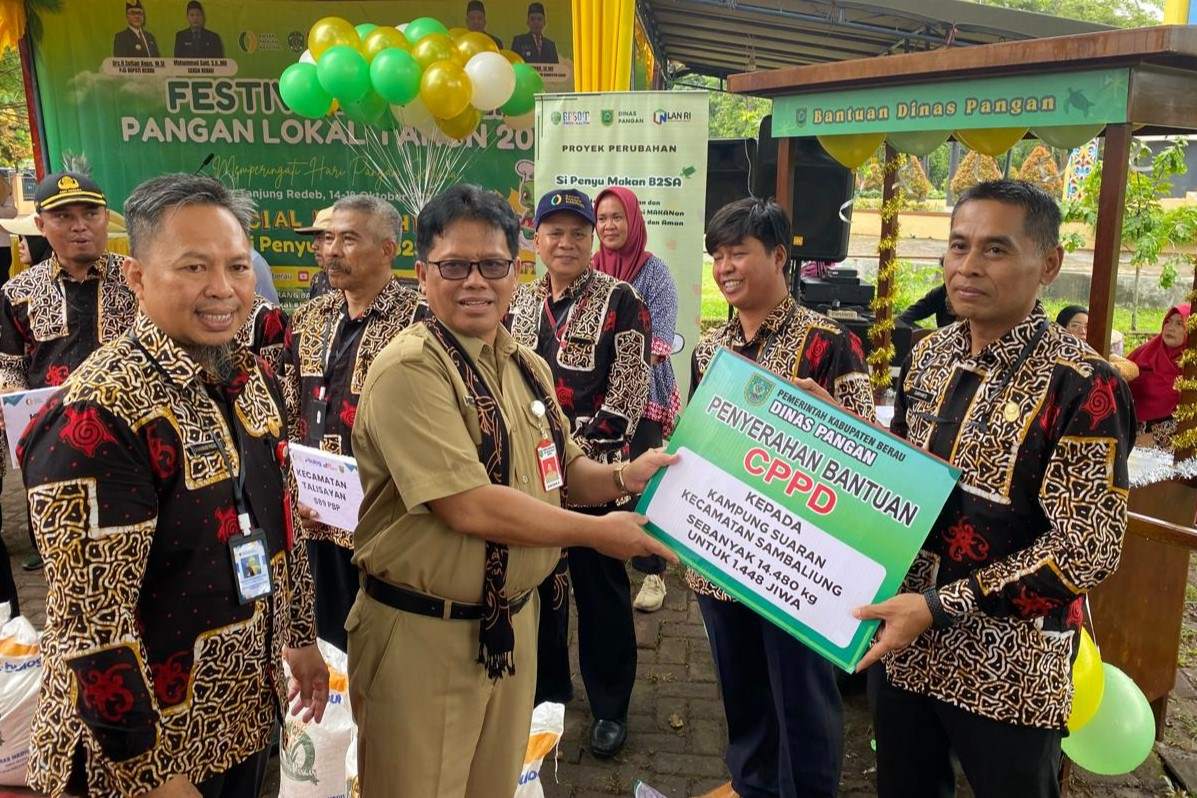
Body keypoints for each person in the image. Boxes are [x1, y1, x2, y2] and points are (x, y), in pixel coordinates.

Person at [346, 183, 675, 797]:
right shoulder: (412, 368)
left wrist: (626, 477)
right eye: (454, 266)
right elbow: (468, 505)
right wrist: (599, 533)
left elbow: (567, 471)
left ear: (514, 271)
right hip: (424, 636)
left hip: (507, 630)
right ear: (421, 274)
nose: (476, 281)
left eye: (493, 265)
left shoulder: (523, 362)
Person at [20, 173, 328, 798]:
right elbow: (91, 624)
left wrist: (299, 637)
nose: (222, 289)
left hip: (240, 721)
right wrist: (153, 775)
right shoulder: (97, 416)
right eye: (193, 267)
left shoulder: (251, 378)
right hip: (140, 758)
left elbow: (280, 524)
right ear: (135, 277)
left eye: (238, 267)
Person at [857, 180, 1133, 798]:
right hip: (903, 647)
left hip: (1010, 666)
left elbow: (1089, 547)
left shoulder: (1083, 385)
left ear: (1049, 265)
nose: (968, 267)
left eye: (996, 250)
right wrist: (842, 436)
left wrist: (938, 607)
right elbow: (904, 475)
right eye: (959, 246)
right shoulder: (930, 355)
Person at [690, 197, 873, 798]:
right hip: (722, 553)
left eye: (737, 252)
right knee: (742, 694)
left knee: (802, 702)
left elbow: (870, 464)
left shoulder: (829, 345)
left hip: (797, 569)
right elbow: (697, 442)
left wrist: (832, 421)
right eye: (717, 256)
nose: (725, 267)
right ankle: (751, 786)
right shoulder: (708, 349)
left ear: (777, 255)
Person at [509, 188, 651, 758]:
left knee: (602, 591)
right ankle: (548, 692)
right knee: (538, 584)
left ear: (592, 239)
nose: (565, 242)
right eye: (554, 231)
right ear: (536, 238)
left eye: (577, 232)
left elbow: (630, 391)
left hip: (596, 474)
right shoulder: (517, 301)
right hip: (527, 476)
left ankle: (611, 705)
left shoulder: (622, 299)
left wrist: (577, 462)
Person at [283, 194, 425, 652]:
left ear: (388, 249)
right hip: (313, 514)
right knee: (325, 643)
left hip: (386, 520)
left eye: (348, 239)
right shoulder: (308, 318)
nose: (332, 251)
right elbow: (286, 409)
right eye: (328, 239)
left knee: (385, 648)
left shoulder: (420, 321)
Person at [0, 173, 138, 575]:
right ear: (41, 225)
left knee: (134, 547)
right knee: (65, 560)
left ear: (105, 218)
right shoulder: (18, 292)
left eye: (90, 213)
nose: (80, 226)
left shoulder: (139, 280)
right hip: (51, 448)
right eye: (63, 216)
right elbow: (9, 366)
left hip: (130, 441)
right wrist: (19, 413)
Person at [592, 186, 681, 613]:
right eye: (603, 218)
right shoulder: (589, 270)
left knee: (644, 482)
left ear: (633, 221)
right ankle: (599, 552)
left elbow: (659, 340)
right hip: (595, 398)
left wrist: (609, 358)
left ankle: (652, 572)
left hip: (645, 394)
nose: (609, 226)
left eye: (617, 217)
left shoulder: (655, 274)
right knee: (602, 477)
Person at [1128, 303, 1190, 450]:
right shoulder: (1144, 353)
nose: (1170, 327)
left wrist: (1156, 436)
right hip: (1130, 435)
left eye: (1179, 323)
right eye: (1168, 321)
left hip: (1173, 445)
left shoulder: (1191, 366)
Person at [1056, 304, 1138, 382]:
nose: (1083, 331)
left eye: (1087, 326)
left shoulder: (1093, 350)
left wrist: (1101, 367)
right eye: (1075, 326)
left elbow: (1132, 368)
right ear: (1061, 328)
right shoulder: (1052, 352)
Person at [297, 206, 334, 300]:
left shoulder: (365, 286)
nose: (313, 246)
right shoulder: (319, 280)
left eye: (322, 237)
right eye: (315, 238)